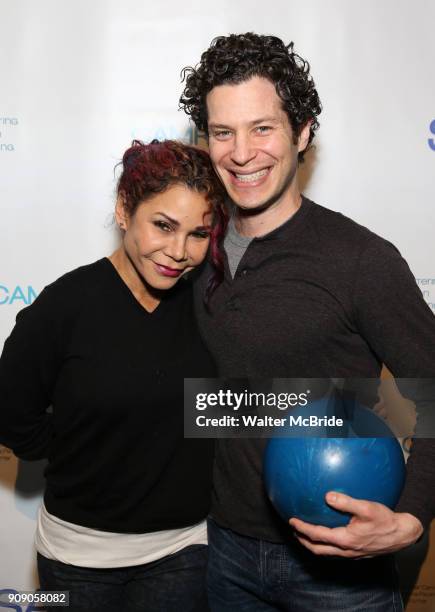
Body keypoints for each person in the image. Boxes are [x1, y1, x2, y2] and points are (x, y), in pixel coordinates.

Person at [180, 33, 435, 611]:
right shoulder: (194, 248)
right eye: (223, 132)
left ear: (302, 133)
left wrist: (414, 516)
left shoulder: (361, 260)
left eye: (262, 128)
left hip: (340, 572)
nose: (241, 153)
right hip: (224, 553)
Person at [0, 139, 227, 612]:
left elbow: (229, 408)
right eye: (163, 226)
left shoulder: (210, 306)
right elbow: (12, 415)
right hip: (75, 557)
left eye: (198, 234)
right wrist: (80, 447)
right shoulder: (64, 307)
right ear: (125, 209)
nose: (178, 251)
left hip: (183, 549)